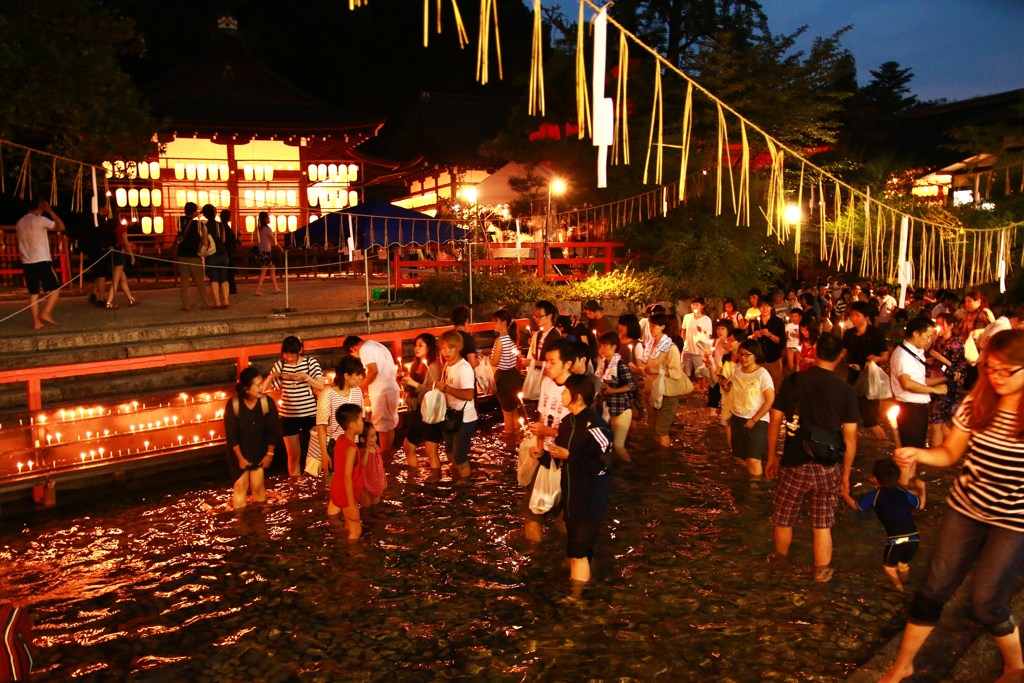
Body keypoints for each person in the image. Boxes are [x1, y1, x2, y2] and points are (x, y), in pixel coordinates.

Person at [882, 330, 1024, 683]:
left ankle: (1014, 666)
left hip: (1013, 518)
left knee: (988, 601)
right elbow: (949, 453)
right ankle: (902, 665)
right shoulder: (977, 404)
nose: (997, 377)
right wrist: (918, 454)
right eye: (992, 368)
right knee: (932, 588)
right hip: (966, 508)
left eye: (1009, 371)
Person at [766, 333, 859, 582]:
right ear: (841, 356)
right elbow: (850, 438)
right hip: (827, 466)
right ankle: (821, 579)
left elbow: (775, 420)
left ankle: (780, 570)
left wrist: (771, 456)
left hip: (794, 461)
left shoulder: (794, 381)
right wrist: (846, 474)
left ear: (814, 351)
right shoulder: (846, 390)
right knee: (822, 525)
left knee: (784, 519)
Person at [547, 373, 613, 602]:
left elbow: (603, 465)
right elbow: (561, 456)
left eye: (566, 391)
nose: (562, 394)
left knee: (577, 550)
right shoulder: (567, 423)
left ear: (577, 397)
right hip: (571, 495)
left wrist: (570, 456)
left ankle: (576, 598)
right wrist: (543, 456)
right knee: (578, 547)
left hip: (590, 497)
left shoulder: (597, 427)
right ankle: (589, 580)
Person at [840, 458, 926, 592]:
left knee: (888, 567)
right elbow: (921, 505)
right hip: (914, 538)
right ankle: (905, 582)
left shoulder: (875, 495)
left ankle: (899, 587)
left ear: (874, 479)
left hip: (896, 541)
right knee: (903, 565)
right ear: (897, 477)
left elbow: (857, 507)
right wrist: (922, 489)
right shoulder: (903, 492)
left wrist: (845, 495)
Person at [524, 339, 576, 543]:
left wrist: (547, 431)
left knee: (563, 515)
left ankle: (564, 557)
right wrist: (539, 445)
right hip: (546, 456)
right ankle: (538, 563)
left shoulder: (576, 390)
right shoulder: (545, 382)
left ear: (568, 364)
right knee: (532, 513)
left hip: (566, 460)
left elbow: (576, 433)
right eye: (546, 361)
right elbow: (542, 415)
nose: (547, 367)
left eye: (553, 362)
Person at [263, 336, 324, 477]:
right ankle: (296, 485)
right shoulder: (280, 365)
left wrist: (306, 378)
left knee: (315, 454)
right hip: (288, 416)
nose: (288, 356)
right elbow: (263, 390)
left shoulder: (310, 363)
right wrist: (272, 376)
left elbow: (321, 385)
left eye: (291, 353)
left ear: (300, 351)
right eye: (285, 353)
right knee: (293, 455)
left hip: (310, 414)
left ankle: (314, 482)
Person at [223, 367, 280, 510]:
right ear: (246, 389)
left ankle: (261, 520)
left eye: (262, 384)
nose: (262, 387)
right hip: (238, 452)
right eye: (258, 385)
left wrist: (269, 454)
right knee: (240, 486)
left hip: (258, 449)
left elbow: (273, 430)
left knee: (258, 486)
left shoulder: (267, 403)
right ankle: (241, 520)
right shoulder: (234, 404)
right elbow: (231, 434)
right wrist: (240, 458)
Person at [890, 317, 947, 449]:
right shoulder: (903, 355)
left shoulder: (915, 352)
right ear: (916, 333)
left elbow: (919, 380)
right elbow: (907, 383)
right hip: (910, 410)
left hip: (917, 409)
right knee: (911, 452)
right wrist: (934, 390)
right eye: (927, 336)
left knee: (915, 450)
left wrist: (944, 379)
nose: (929, 340)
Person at [724, 338, 775, 481]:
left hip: (757, 419)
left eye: (747, 354)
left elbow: (770, 400)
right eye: (740, 354)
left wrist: (754, 420)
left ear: (756, 355)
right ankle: (751, 480)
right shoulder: (736, 369)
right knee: (739, 457)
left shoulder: (762, 374)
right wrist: (725, 385)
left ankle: (756, 490)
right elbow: (730, 387)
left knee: (753, 459)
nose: (743, 358)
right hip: (737, 416)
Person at [342, 335, 399, 455]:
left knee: (382, 426)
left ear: (352, 349)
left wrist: (362, 387)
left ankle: (384, 456)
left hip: (381, 391)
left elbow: (373, 370)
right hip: (392, 388)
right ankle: (389, 454)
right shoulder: (375, 344)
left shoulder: (365, 349)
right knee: (389, 425)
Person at [311, 355, 364, 479]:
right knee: (338, 487)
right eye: (358, 374)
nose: (361, 378)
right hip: (336, 446)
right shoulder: (327, 394)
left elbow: (362, 418)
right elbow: (321, 426)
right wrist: (324, 454)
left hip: (355, 443)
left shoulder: (357, 391)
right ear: (346, 376)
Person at [843, 301, 890, 439]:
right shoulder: (849, 334)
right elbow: (843, 353)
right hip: (852, 378)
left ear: (865, 316)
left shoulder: (876, 334)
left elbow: (885, 356)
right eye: (852, 315)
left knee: (870, 421)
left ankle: (882, 443)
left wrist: (875, 358)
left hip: (870, 380)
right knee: (851, 417)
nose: (854, 318)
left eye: (857, 315)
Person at [16, 199, 65, 329]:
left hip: (27, 261)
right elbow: (61, 226)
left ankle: (36, 322)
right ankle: (46, 313)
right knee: (56, 289)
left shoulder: (20, 222)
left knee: (33, 293)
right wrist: (50, 211)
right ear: (39, 208)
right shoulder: (40, 220)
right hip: (41, 259)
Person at [640, 313, 687, 448]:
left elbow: (676, 373)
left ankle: (665, 459)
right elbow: (646, 368)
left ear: (663, 327)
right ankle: (657, 456)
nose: (650, 328)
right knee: (653, 427)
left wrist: (656, 371)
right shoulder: (650, 345)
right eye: (649, 324)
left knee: (662, 429)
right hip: (651, 391)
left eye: (654, 325)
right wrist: (638, 369)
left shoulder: (670, 348)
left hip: (666, 393)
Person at [437, 330, 478, 478]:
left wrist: (446, 388)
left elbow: (468, 394)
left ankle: (465, 486)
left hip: (465, 417)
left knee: (460, 455)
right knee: (449, 451)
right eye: (443, 348)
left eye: (450, 347)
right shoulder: (447, 366)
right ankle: (460, 475)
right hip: (450, 415)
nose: (446, 351)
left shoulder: (464, 368)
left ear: (459, 347)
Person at [401, 333, 443, 469]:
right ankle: (413, 476)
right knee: (408, 447)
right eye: (415, 345)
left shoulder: (433, 366)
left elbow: (434, 390)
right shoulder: (415, 365)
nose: (416, 348)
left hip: (430, 412)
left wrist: (414, 384)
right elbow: (414, 391)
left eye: (421, 345)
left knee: (431, 450)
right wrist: (408, 391)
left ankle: (435, 480)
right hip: (417, 412)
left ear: (429, 348)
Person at [596, 331, 636, 464]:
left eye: (604, 346)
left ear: (613, 347)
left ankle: (630, 469)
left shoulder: (620, 365)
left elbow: (631, 385)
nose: (601, 349)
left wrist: (613, 390)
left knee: (618, 446)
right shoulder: (604, 364)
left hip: (621, 410)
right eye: (600, 346)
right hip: (608, 409)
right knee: (608, 444)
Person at [928, 312, 967, 446]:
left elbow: (959, 370)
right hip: (934, 382)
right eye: (936, 323)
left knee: (936, 424)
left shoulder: (956, 344)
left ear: (951, 325)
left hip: (947, 386)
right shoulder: (937, 340)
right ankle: (955, 448)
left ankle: (935, 455)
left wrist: (942, 359)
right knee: (940, 423)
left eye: (941, 324)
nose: (938, 327)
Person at [327, 404, 364, 540]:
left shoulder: (340, 440)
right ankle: (353, 556)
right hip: (346, 493)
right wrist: (351, 504)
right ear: (352, 425)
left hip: (338, 489)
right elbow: (348, 477)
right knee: (356, 530)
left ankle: (342, 548)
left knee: (349, 526)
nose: (363, 423)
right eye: (361, 420)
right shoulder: (351, 448)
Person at [491, 309, 523, 435]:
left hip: (504, 378)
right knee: (514, 409)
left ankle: (509, 442)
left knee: (507, 414)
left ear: (504, 322)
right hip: (513, 376)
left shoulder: (500, 340)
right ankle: (518, 439)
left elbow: (495, 362)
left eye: (496, 321)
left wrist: (485, 359)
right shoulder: (512, 338)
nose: (494, 324)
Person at [176, 202, 209, 311]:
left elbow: (179, 237)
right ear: (194, 211)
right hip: (194, 256)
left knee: (184, 282)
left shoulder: (180, 222)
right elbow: (204, 241)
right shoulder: (199, 224)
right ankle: (205, 303)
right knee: (200, 281)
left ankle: (185, 305)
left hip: (182, 255)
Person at [747, 298, 786, 390]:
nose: (764, 309)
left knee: (776, 385)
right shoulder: (754, 322)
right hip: (759, 359)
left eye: (767, 306)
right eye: (761, 306)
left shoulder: (778, 322)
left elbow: (782, 342)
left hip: (773, 359)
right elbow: (747, 339)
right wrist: (754, 336)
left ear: (771, 307)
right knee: (758, 387)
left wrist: (769, 335)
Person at [104, 212, 136, 309]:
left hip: (110, 254)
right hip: (118, 254)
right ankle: (109, 302)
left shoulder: (107, 227)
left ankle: (130, 298)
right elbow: (126, 243)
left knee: (123, 278)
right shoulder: (121, 228)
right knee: (116, 280)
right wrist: (131, 255)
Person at [201, 204, 230, 309]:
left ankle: (217, 302)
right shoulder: (220, 225)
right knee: (224, 278)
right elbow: (223, 240)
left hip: (212, 254)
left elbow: (204, 241)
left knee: (214, 279)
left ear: (204, 214)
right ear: (215, 213)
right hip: (223, 253)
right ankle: (226, 301)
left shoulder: (204, 226)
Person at [681, 297, 713, 391]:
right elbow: (683, 331)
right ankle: (686, 390)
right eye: (693, 304)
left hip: (699, 351)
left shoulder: (706, 319)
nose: (694, 306)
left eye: (697, 304)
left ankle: (702, 390)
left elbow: (709, 336)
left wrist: (702, 331)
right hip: (687, 350)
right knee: (685, 372)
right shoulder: (687, 317)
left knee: (701, 374)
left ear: (702, 306)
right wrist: (685, 343)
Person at [360, 422, 386, 515]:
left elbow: (381, 464)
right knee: (366, 509)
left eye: (375, 435)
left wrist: (384, 479)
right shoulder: (362, 451)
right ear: (362, 439)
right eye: (372, 436)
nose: (375, 438)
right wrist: (367, 449)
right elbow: (363, 463)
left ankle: (374, 522)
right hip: (366, 485)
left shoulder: (377, 448)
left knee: (375, 508)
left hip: (377, 482)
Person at [254, 212, 281, 296]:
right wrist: (280, 248)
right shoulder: (266, 229)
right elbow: (273, 241)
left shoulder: (258, 229)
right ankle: (258, 290)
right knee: (264, 271)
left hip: (260, 251)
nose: (269, 219)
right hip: (265, 252)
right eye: (268, 217)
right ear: (265, 219)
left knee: (272, 268)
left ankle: (276, 288)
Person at [219, 209, 238, 295]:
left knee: (225, 271)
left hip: (223, 250)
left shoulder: (222, 226)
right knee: (229, 270)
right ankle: (231, 288)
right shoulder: (225, 227)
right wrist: (236, 240)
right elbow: (229, 239)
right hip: (227, 251)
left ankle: (226, 287)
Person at [784, 308, 802, 372]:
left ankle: (798, 375)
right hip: (790, 345)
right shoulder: (788, 326)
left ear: (800, 317)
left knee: (798, 363)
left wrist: (796, 335)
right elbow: (785, 336)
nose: (793, 318)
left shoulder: (802, 326)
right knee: (790, 364)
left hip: (799, 346)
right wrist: (786, 335)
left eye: (795, 316)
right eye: (792, 316)